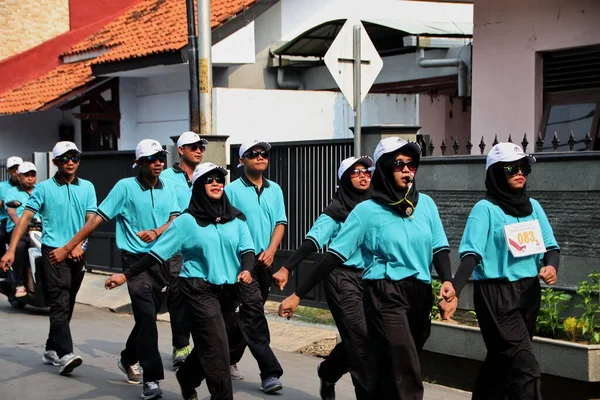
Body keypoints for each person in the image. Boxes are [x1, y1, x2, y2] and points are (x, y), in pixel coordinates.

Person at [279, 137, 456, 400]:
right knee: (386, 353)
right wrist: (297, 292)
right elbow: (329, 255)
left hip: (418, 291)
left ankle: (339, 375)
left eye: (411, 165)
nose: (407, 170)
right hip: (377, 289)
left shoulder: (425, 204)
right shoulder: (364, 212)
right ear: (386, 168)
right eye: (399, 164)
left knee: (390, 357)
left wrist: (447, 280)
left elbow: (439, 246)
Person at [104, 163, 284, 399]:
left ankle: (187, 377)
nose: (216, 183)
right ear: (199, 186)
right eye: (209, 180)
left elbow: (247, 249)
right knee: (218, 349)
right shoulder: (186, 222)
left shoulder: (235, 217)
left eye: (219, 179)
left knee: (215, 344)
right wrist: (125, 275)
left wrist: (247, 270)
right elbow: (157, 254)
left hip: (230, 291)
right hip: (198, 289)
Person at [49, 139, 180, 400]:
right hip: (134, 263)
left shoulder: (169, 187)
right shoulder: (125, 187)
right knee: (146, 318)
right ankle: (151, 380)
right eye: (152, 159)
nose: (158, 163)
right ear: (139, 163)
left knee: (148, 317)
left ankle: (127, 357)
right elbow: (96, 219)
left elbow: (176, 218)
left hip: (162, 261)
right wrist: (68, 247)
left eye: (161, 158)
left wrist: (158, 231)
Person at [449, 143, 559, 400]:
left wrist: (551, 266)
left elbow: (551, 247)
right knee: (526, 367)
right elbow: (471, 254)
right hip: (497, 295)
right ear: (497, 173)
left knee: (501, 363)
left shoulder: (533, 207)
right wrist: (454, 288)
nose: (520, 172)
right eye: (512, 168)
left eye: (524, 167)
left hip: (529, 293)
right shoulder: (485, 210)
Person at [272, 156, 374, 400]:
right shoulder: (335, 212)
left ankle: (328, 371)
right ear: (343, 179)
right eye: (355, 172)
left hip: (371, 278)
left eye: (366, 171)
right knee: (359, 340)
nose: (363, 176)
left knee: (365, 337)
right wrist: (287, 267)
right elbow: (312, 242)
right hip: (341, 277)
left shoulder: (375, 208)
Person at [1, 142, 96, 376]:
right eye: (64, 158)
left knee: (69, 300)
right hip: (53, 251)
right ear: (55, 162)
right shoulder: (43, 189)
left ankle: (50, 348)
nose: (70, 162)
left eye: (74, 157)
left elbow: (91, 219)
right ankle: (66, 354)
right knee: (59, 300)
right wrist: (11, 249)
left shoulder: (88, 187)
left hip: (78, 251)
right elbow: (24, 219)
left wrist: (77, 245)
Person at [224, 140, 285, 385]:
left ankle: (225, 359)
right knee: (254, 314)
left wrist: (272, 250)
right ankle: (270, 372)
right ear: (241, 161)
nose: (260, 157)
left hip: (265, 262)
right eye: (253, 154)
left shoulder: (275, 189)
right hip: (242, 263)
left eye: (263, 154)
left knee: (247, 315)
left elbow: (280, 222)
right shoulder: (231, 191)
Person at [160, 131, 208, 368]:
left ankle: (205, 346)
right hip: (177, 246)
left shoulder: (206, 175)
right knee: (178, 296)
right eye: (193, 147)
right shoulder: (167, 177)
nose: (199, 150)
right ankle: (181, 345)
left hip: (205, 244)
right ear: (181, 150)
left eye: (201, 147)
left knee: (205, 294)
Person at [3, 161, 38, 297]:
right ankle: (19, 284)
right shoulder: (12, 192)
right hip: (19, 229)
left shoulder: (40, 191)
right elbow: (11, 211)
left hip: (40, 229)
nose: (30, 178)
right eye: (26, 175)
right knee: (20, 247)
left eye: (32, 175)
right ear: (19, 177)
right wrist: (20, 224)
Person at [0, 156, 23, 259]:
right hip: (5, 220)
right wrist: (5, 201)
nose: (16, 171)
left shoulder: (30, 185)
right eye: (13, 169)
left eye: (18, 168)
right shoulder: (2, 186)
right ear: (8, 171)